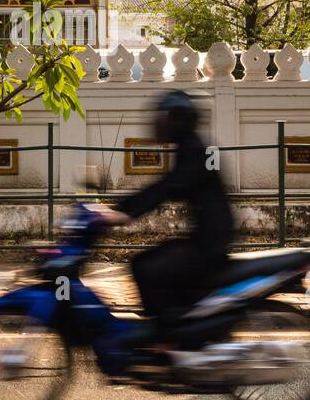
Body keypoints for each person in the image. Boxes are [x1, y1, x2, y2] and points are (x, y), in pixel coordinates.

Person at [96, 89, 235, 346]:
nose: (157, 124)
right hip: (206, 236)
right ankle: (170, 327)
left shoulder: (194, 151)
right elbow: (165, 186)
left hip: (209, 243)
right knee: (150, 262)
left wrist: (123, 213)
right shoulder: (190, 147)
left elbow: (166, 188)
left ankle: (166, 339)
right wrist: (118, 209)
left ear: (178, 120)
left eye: (163, 118)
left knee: (145, 267)